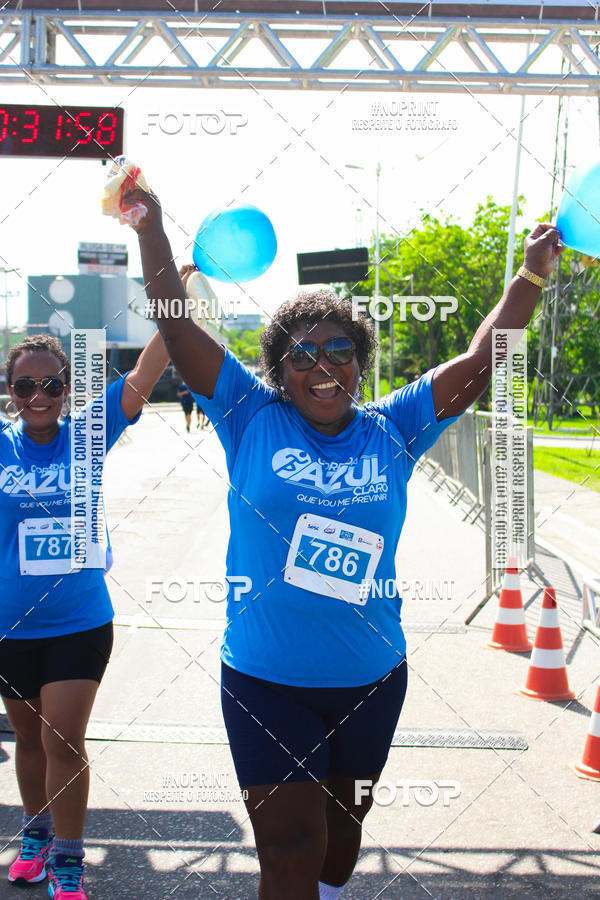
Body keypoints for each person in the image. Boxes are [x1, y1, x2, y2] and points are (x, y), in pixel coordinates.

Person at [126, 185, 561, 900]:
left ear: (358, 359)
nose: (321, 365)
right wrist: (153, 232)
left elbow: (484, 359)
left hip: (370, 679)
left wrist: (531, 274)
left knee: (338, 839)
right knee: (291, 847)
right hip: (266, 678)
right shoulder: (248, 414)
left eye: (338, 349)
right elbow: (177, 332)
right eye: (302, 354)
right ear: (279, 370)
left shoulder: (395, 425)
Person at [1, 329, 169, 899]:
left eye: (51, 383)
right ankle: (36, 835)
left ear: (69, 388)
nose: (39, 394)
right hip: (9, 623)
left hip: (78, 619)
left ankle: (70, 861)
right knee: (27, 737)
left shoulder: (89, 435)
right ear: (11, 390)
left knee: (64, 738)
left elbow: (145, 375)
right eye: (26, 385)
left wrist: (176, 302)